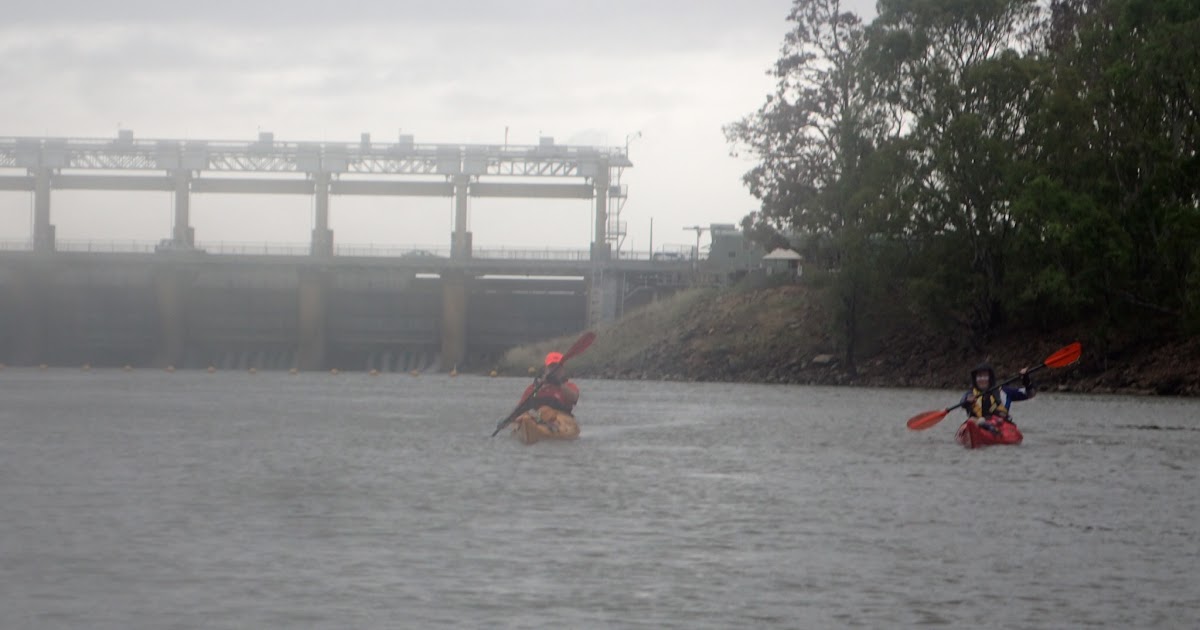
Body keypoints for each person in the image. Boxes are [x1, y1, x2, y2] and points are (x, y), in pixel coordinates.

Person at [514, 351, 581, 436]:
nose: (555, 371)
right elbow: (520, 408)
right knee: (527, 416)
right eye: (552, 367)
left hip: (561, 419)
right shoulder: (533, 388)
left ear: (563, 370)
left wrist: (559, 384)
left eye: (558, 368)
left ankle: (544, 426)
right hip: (536, 417)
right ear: (545, 369)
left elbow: (574, 398)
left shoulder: (569, 386)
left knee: (546, 410)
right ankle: (532, 426)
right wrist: (508, 421)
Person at [961, 362, 1036, 434]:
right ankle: (985, 426)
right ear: (975, 379)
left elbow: (1030, 394)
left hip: (1001, 425)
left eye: (985, 376)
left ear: (990, 378)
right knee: (972, 420)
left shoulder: (1004, 391)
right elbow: (962, 401)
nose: (982, 379)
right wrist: (967, 401)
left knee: (993, 420)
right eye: (979, 376)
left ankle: (989, 427)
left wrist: (1026, 380)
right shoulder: (970, 394)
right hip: (976, 423)